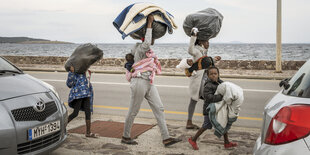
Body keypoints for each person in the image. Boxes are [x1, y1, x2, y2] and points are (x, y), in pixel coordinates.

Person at [121, 14, 181, 147]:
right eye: (151, 36)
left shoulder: (147, 52)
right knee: (133, 111)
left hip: (148, 82)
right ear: (144, 38)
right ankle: (125, 136)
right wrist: (149, 23)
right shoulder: (141, 48)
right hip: (139, 82)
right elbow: (147, 42)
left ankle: (166, 138)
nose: (153, 39)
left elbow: (148, 43)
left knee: (159, 108)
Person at [188, 66, 237, 150]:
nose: (213, 75)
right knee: (206, 125)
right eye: (211, 74)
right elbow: (209, 97)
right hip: (209, 110)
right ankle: (193, 139)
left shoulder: (220, 82)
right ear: (207, 75)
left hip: (218, 109)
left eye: (215, 74)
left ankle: (227, 143)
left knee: (223, 124)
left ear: (218, 74)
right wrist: (221, 97)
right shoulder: (208, 85)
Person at [186, 27, 221, 129]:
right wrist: (193, 36)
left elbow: (204, 63)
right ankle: (208, 122)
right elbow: (190, 50)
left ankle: (192, 121)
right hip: (199, 81)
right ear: (201, 41)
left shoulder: (202, 52)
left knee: (196, 100)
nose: (208, 43)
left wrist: (214, 59)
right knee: (206, 98)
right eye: (206, 41)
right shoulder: (197, 51)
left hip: (203, 80)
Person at [66, 66, 97, 138]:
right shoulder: (75, 73)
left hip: (86, 93)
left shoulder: (85, 72)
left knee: (88, 112)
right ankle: (62, 128)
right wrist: (72, 72)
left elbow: (88, 82)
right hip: (78, 94)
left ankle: (88, 133)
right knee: (75, 113)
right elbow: (69, 84)